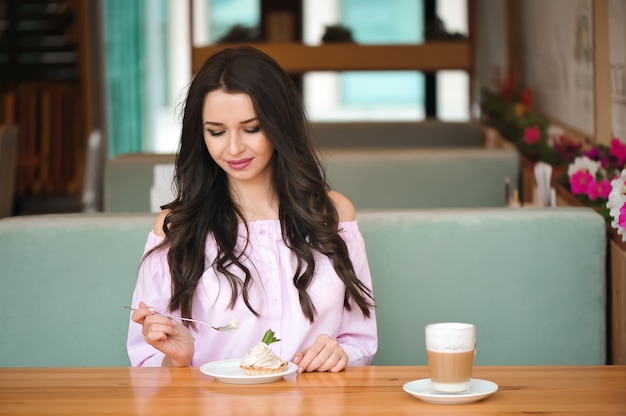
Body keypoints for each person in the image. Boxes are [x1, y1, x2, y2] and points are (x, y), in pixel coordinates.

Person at [127, 46, 377, 373]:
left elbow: (360, 339)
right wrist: (177, 359)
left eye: (252, 128)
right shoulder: (176, 229)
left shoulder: (333, 215)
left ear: (279, 125)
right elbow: (145, 363)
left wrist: (341, 353)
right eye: (216, 132)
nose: (233, 148)